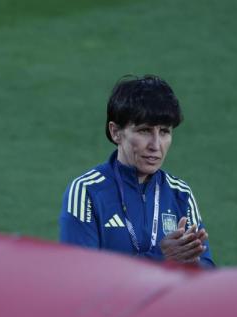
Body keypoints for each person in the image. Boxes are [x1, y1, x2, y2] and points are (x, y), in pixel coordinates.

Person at [59, 75, 215, 267]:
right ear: (116, 132)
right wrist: (161, 257)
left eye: (164, 132)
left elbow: (207, 271)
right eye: (144, 131)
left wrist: (194, 264)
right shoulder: (86, 192)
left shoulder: (180, 193)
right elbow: (78, 274)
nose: (156, 145)